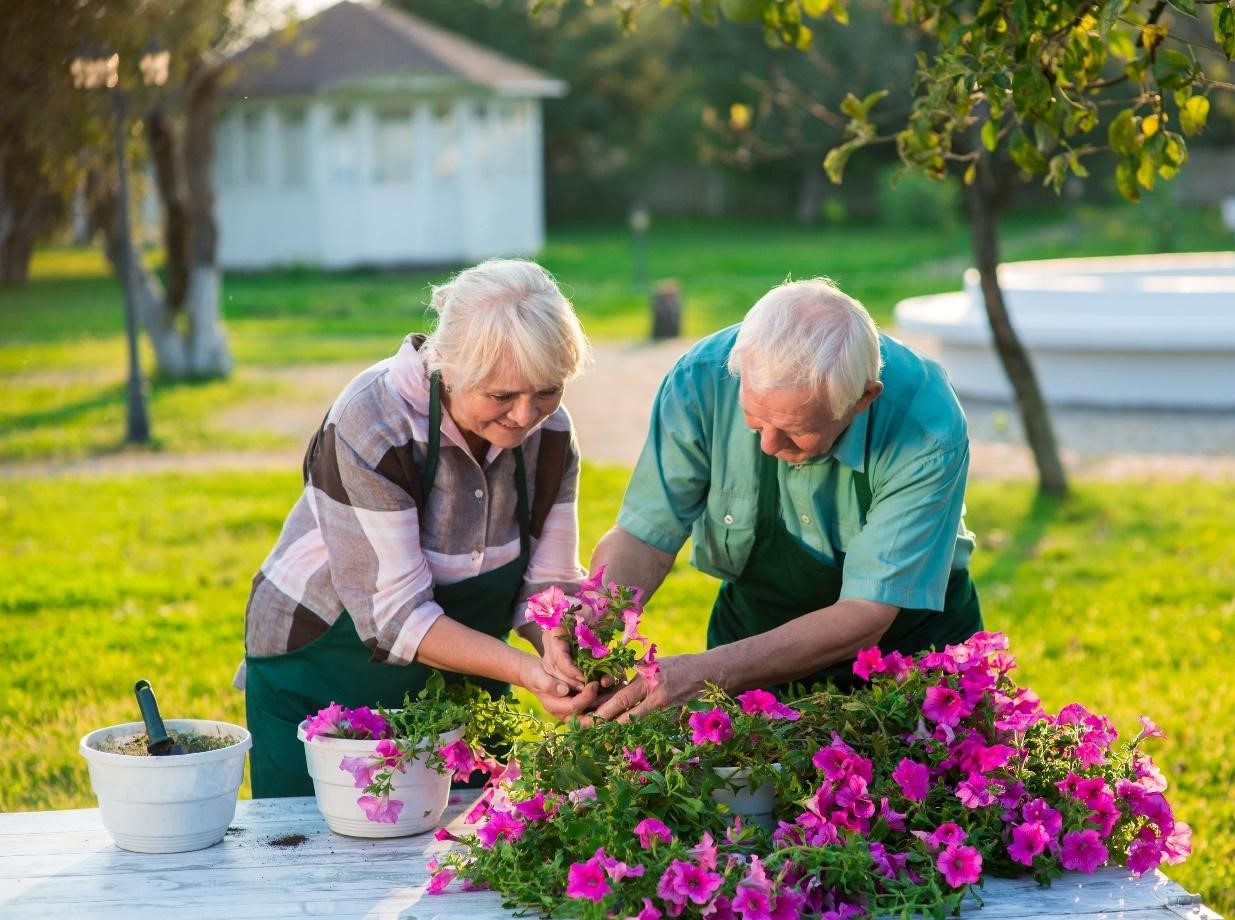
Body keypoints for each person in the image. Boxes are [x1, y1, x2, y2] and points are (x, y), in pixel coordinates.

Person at [238, 259, 598, 797]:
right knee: (311, 858)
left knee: (472, 856)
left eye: (546, 390)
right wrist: (525, 672)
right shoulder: (374, 421)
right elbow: (397, 617)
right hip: (323, 666)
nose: (525, 417)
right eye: (501, 396)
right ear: (447, 368)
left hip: (466, 671)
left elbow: (548, 585)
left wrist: (557, 648)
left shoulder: (551, 432)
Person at [545, 277, 981, 720]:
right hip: (754, 640)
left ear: (864, 398)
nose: (770, 446)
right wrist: (592, 623)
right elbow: (645, 535)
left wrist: (707, 671)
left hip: (907, 656)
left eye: (797, 430)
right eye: (755, 422)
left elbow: (866, 612)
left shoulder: (925, 425)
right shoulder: (702, 379)